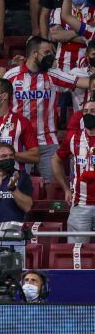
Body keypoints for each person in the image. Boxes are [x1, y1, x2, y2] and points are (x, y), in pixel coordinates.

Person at [5, 36, 92, 180]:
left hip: (47, 141)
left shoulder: (53, 74)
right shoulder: (11, 76)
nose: (51, 56)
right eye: (47, 52)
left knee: (53, 185)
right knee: (17, 184)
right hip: (19, 141)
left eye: (52, 52)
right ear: (34, 54)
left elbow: (84, 82)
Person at [53, 100, 95, 244]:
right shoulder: (73, 138)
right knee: (77, 252)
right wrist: (66, 189)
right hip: (80, 205)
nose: (88, 115)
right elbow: (56, 160)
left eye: (93, 111)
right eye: (85, 112)